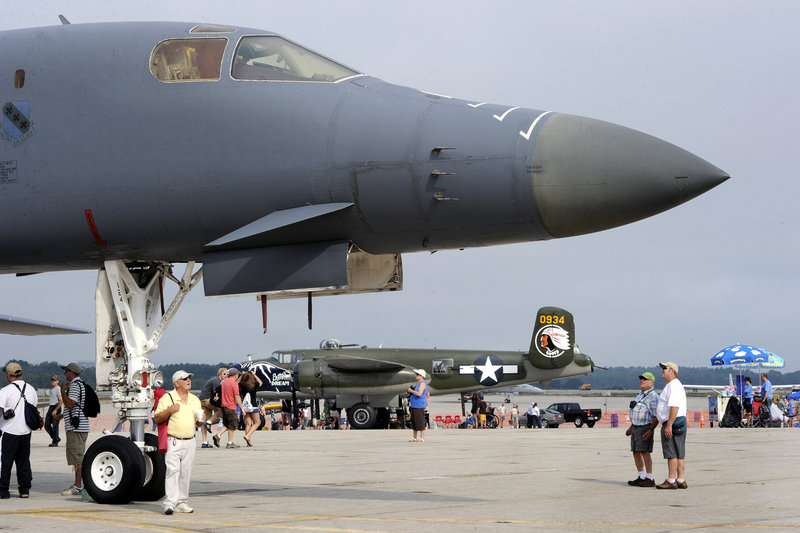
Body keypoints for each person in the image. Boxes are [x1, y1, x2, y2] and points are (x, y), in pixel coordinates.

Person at [154, 370, 203, 515]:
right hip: (173, 440)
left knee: (185, 472)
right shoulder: (168, 398)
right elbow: (157, 419)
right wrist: (169, 410)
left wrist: (201, 421)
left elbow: (198, 424)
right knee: (172, 471)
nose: (189, 380)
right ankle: (170, 503)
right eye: (185, 378)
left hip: (190, 441)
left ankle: (182, 502)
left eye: (189, 378)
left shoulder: (195, 399)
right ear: (176, 383)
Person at [0, 362, 37, 499]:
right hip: (26, 431)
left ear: (9, 375)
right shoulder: (31, 389)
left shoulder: (5, 391)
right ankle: (24, 489)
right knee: (23, 461)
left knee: (6, 462)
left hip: (9, 431)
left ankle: (3, 490)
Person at [59, 362, 90, 496]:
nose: (64, 373)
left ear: (72, 372)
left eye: (66, 371)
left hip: (76, 428)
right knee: (78, 456)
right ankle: (78, 484)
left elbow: (71, 404)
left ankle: (78, 486)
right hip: (79, 426)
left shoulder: (75, 386)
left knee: (78, 458)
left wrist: (62, 391)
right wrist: (61, 416)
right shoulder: (79, 384)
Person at [655, 361, 687, 489]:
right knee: (679, 453)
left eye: (665, 368)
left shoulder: (673, 385)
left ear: (672, 371)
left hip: (672, 422)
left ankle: (671, 480)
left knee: (671, 453)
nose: (662, 370)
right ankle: (681, 479)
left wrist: (668, 425)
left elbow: (674, 406)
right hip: (678, 421)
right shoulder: (675, 385)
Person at [625, 371, 659, 487]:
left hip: (645, 427)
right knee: (635, 451)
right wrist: (631, 427)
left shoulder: (653, 397)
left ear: (651, 382)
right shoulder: (639, 395)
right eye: (641, 379)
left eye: (645, 379)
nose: (642, 381)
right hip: (636, 427)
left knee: (645, 452)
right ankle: (641, 476)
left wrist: (651, 430)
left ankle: (650, 477)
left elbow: (656, 416)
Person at [213, 367, 242, 448]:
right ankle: (229, 443)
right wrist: (242, 408)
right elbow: (237, 396)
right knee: (232, 425)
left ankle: (218, 436)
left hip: (223, 406)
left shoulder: (224, 382)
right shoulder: (234, 384)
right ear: (235, 375)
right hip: (231, 407)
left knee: (226, 424)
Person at [199, 368, 227, 448]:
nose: (226, 376)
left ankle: (204, 442)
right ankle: (209, 422)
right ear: (219, 374)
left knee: (204, 420)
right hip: (207, 400)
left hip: (202, 400)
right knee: (220, 411)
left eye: (227, 374)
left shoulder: (216, 380)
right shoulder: (216, 381)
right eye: (224, 374)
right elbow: (217, 394)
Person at [239, 370, 262, 446]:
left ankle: (248, 442)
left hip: (245, 406)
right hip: (253, 405)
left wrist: (242, 376)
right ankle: (248, 436)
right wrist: (254, 375)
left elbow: (236, 383)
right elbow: (260, 382)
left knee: (248, 424)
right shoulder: (254, 384)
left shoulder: (242, 384)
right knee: (257, 423)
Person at [407, 368, 427, 442]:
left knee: (420, 421)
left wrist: (411, 391)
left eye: (418, 374)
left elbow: (419, 394)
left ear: (421, 376)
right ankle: (414, 437)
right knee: (414, 421)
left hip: (419, 405)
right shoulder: (418, 384)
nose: (416, 376)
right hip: (414, 405)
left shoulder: (422, 383)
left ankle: (422, 437)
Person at [45, 375, 63, 447]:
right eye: (52, 380)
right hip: (51, 407)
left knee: (55, 425)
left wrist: (55, 410)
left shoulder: (58, 389)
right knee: (46, 425)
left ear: (57, 381)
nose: (53, 381)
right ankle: (56, 438)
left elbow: (61, 401)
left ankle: (55, 441)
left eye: (54, 380)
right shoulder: (51, 389)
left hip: (56, 407)